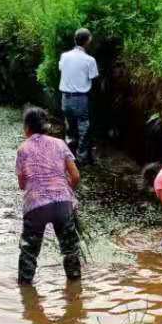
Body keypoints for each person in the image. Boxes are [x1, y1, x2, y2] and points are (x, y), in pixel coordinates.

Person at [16, 105, 82, 285]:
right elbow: (75, 176)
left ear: (27, 128)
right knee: (70, 250)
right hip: (63, 204)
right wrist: (65, 192)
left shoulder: (23, 149)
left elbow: (22, 184)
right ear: (45, 126)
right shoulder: (60, 144)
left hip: (35, 206)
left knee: (29, 252)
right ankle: (75, 293)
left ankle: (26, 292)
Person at [59, 27, 99, 164]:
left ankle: (68, 157)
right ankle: (81, 158)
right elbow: (94, 79)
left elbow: (62, 69)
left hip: (65, 98)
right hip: (80, 98)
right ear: (87, 41)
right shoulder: (90, 60)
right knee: (84, 128)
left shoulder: (64, 56)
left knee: (70, 128)